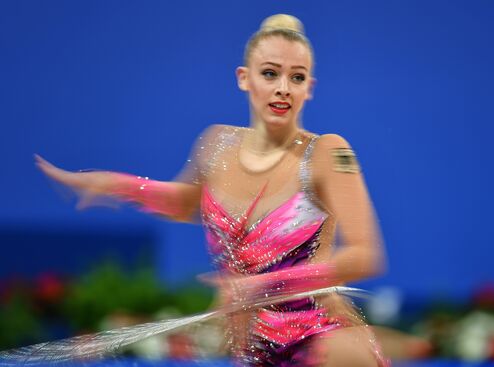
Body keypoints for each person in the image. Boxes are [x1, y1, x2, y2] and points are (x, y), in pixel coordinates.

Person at [34, 14, 389, 367]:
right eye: (270, 73)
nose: (283, 87)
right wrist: (115, 184)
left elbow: (364, 255)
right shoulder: (216, 145)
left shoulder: (329, 152)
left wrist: (265, 285)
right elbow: (183, 202)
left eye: (296, 77)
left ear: (309, 87)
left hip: (321, 342)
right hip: (253, 351)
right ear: (244, 78)